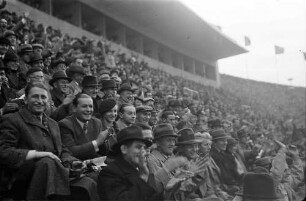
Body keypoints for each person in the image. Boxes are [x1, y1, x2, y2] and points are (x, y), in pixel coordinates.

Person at [0, 82, 80, 200]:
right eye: (35, 96)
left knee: (88, 181)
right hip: (22, 180)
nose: (40, 101)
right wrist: (37, 154)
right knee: (46, 162)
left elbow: (61, 149)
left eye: (43, 97)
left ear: (48, 101)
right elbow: (3, 152)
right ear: (26, 100)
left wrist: (72, 161)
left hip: (54, 175)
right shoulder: (12, 120)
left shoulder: (53, 124)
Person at [97, 125, 164, 201]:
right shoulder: (109, 173)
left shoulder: (141, 169)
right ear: (124, 149)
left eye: (144, 148)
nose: (143, 152)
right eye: (138, 147)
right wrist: (143, 177)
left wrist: (168, 191)